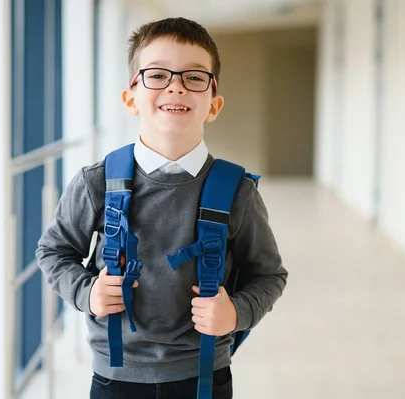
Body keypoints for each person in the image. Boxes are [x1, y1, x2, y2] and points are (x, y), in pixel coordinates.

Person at [36, 16, 288, 399]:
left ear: (213, 104)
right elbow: (53, 251)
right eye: (157, 75)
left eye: (194, 77)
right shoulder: (96, 182)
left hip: (204, 377)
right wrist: (87, 292)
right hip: (115, 376)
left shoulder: (237, 192)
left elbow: (269, 275)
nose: (176, 87)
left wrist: (236, 313)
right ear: (130, 97)